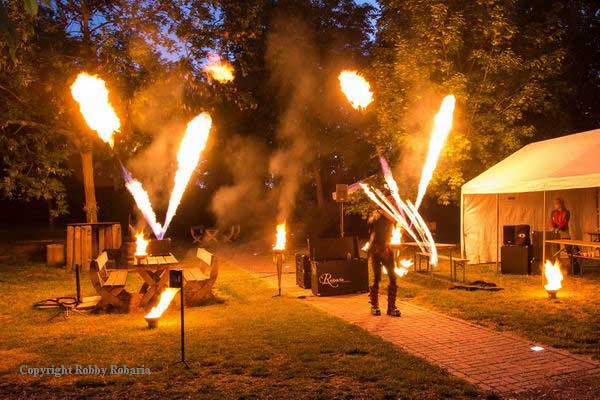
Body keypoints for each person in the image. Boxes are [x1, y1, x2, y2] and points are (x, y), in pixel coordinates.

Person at [366, 209, 400, 317]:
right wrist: (376, 215)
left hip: (386, 249)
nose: (392, 201)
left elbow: (396, 221)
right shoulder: (375, 213)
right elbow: (370, 221)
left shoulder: (389, 214)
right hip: (376, 249)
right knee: (377, 277)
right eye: (389, 198)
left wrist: (385, 212)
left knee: (393, 277)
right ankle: (374, 305)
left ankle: (391, 307)